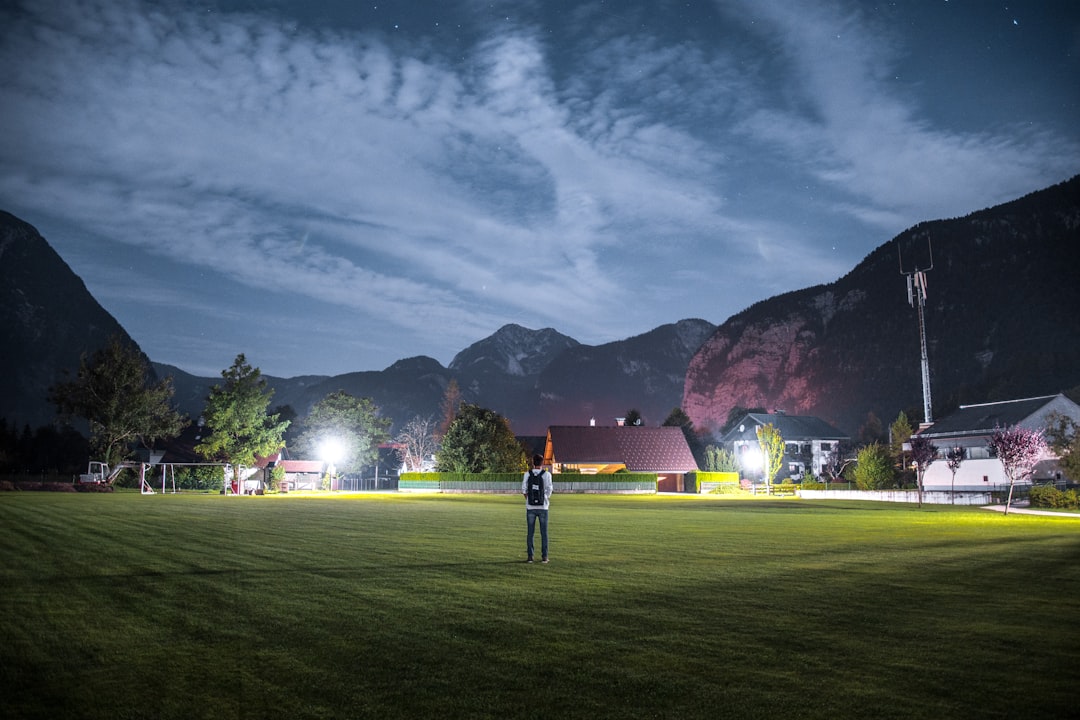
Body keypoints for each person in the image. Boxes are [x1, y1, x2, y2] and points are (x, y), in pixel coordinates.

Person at [522, 454, 552, 563]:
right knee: (544, 533)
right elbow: (549, 489)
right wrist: (544, 498)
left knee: (530, 533)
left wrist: (529, 500)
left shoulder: (527, 474)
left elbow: (524, 490)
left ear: (533, 462)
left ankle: (530, 556)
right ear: (542, 462)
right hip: (543, 507)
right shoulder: (547, 475)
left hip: (530, 507)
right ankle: (544, 556)